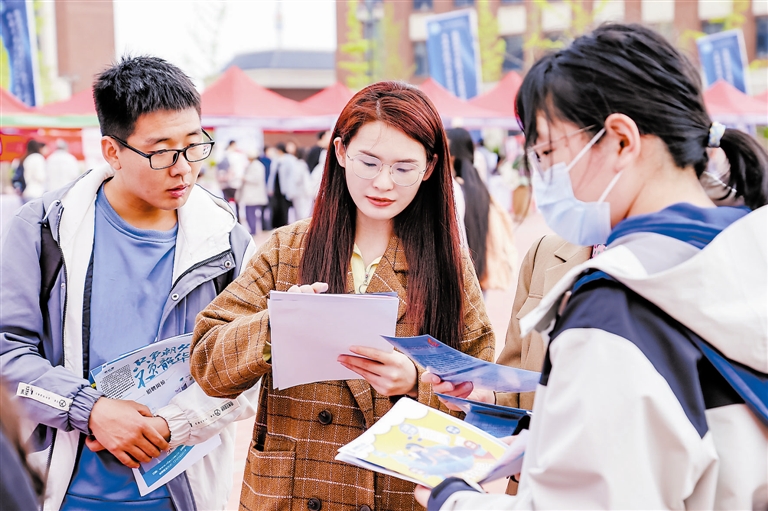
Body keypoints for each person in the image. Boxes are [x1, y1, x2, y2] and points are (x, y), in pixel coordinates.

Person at [420, 23, 767, 510]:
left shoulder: (616, 306)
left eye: (546, 153)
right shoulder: (745, 249)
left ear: (621, 141)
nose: (542, 177)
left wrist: (453, 498)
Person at [190, 81, 496, 511]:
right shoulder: (286, 249)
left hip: (398, 492)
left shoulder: (448, 267)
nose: (383, 183)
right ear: (339, 152)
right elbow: (206, 362)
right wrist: (276, 326)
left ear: (429, 168)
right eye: (368, 162)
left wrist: (414, 384)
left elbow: (486, 395)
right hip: (293, 491)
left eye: (404, 168)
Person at [0, 55, 259, 511]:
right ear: (112, 151)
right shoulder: (45, 228)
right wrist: (89, 409)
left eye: (195, 145)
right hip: (62, 493)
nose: (182, 168)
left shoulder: (227, 243)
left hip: (183, 495)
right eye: (161, 151)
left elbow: (246, 369)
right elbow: (7, 353)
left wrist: (172, 425)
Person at [448, 128, 517, 293]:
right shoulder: (478, 188)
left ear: (452, 154)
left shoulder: (454, 188)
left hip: (458, 278)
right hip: (478, 276)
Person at [236, 151, 269, 234]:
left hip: (253, 194)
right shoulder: (252, 165)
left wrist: (245, 178)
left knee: (251, 214)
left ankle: (253, 231)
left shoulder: (257, 166)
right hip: (251, 194)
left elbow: (256, 179)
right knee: (249, 213)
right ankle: (252, 230)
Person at [266, 142, 296, 228]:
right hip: (276, 187)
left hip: (285, 187)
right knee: (275, 206)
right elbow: (272, 175)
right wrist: (270, 188)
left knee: (284, 206)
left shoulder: (289, 159)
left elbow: (291, 175)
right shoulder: (275, 160)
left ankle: (284, 223)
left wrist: (290, 188)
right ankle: (275, 224)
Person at [219, 140, 248, 218]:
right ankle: (235, 219)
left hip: (227, 183)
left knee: (228, 202)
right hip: (233, 183)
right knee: (235, 203)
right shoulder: (233, 155)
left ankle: (229, 218)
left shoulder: (224, 155)